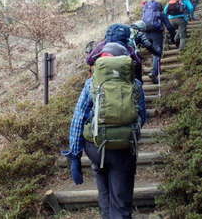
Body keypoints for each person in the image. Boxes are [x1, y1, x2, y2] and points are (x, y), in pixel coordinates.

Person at [63, 44, 147, 219]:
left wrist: (75, 156)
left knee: (104, 190)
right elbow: (142, 116)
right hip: (124, 148)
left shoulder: (91, 84)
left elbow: (78, 118)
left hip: (95, 146)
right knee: (121, 198)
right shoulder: (135, 84)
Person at [140, 0, 176, 84]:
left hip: (146, 34)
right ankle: (154, 72)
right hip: (156, 35)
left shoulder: (145, 14)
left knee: (154, 53)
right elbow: (169, 27)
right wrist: (173, 37)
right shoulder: (160, 14)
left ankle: (157, 69)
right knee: (157, 53)